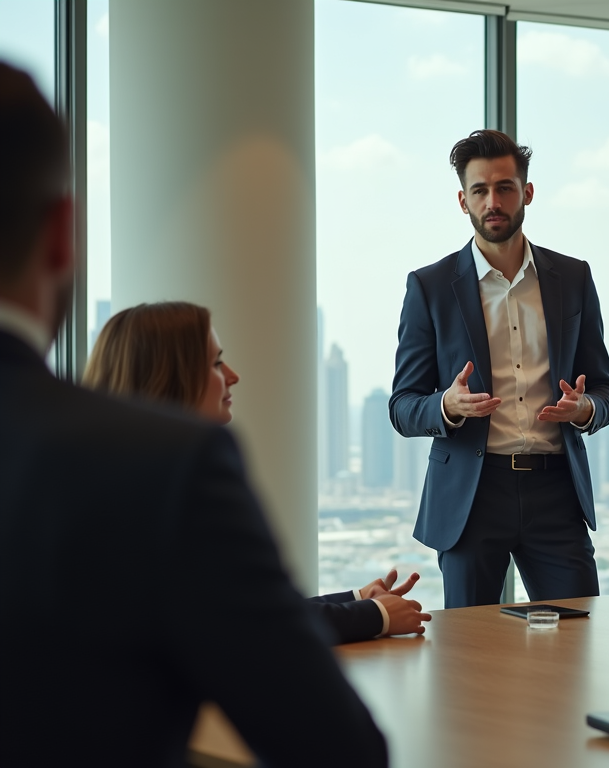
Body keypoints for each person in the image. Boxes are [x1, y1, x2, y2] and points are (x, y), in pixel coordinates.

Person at [0, 63, 387, 766]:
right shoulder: (160, 467)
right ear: (62, 235)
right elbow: (337, 749)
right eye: (216, 361)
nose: (233, 375)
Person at [83, 301, 431, 644]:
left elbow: (239, 607)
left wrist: (357, 599)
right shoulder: (181, 495)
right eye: (217, 364)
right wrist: (377, 616)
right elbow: (251, 623)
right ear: (170, 380)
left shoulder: (118, 488)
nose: (233, 376)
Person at [389, 129, 609, 608]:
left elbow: (604, 391)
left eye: (505, 188)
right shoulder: (429, 287)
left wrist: (584, 409)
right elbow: (403, 407)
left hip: (556, 490)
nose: (493, 201)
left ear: (527, 193)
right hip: (472, 497)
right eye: (480, 190)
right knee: (469, 655)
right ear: (462, 200)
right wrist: (446, 406)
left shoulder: (573, 278)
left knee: (578, 641)